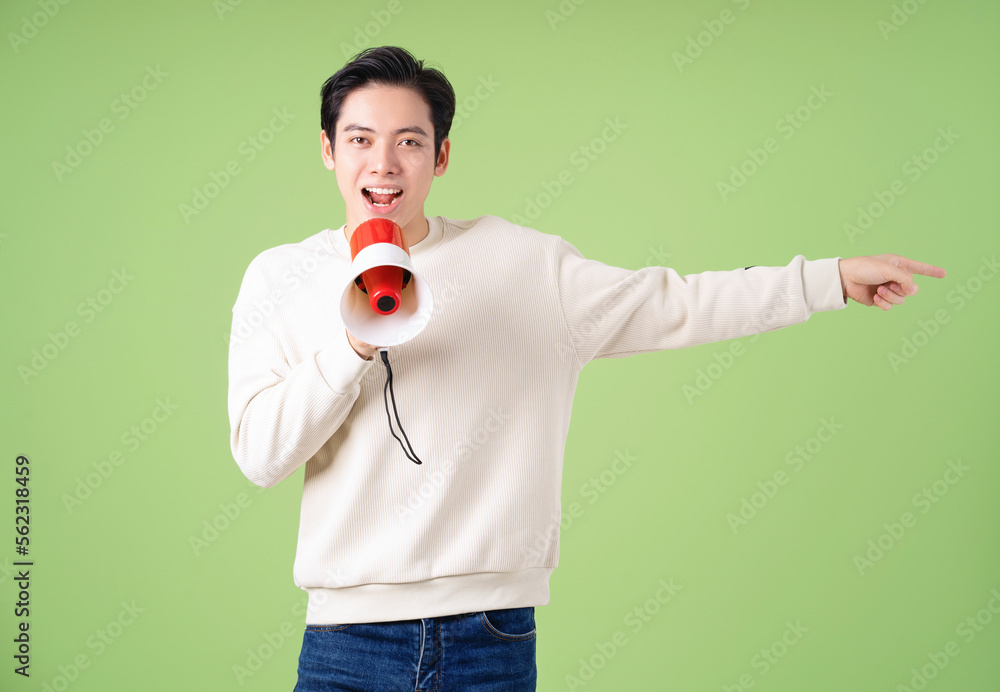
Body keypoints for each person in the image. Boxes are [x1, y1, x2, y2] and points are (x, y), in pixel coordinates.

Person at [226, 45, 945, 691]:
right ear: (327, 149)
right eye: (360, 140)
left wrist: (829, 279)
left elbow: (679, 303)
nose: (383, 164)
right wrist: (352, 345)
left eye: (408, 142)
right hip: (346, 645)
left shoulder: (523, 264)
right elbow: (260, 456)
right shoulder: (281, 278)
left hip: (490, 637)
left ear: (440, 157)